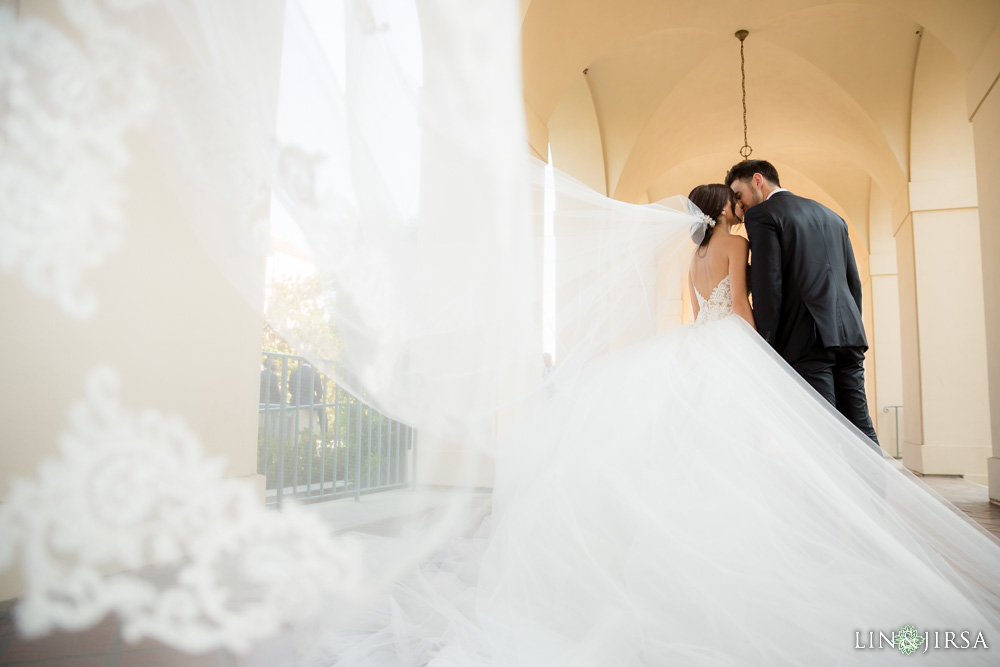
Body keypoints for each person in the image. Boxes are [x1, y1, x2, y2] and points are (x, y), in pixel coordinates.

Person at [283, 183, 1000, 667]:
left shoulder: (689, 255)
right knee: (737, 461)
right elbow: (743, 315)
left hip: (693, 347)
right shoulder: (737, 247)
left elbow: (700, 310)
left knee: (694, 458)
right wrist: (768, 368)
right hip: (730, 352)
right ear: (729, 213)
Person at [725, 160, 880, 450]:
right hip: (847, 335)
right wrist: (850, 325)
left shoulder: (762, 215)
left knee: (820, 435)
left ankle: (828, 498)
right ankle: (875, 496)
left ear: (757, 180)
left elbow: (767, 284)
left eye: (738, 194)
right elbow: (852, 282)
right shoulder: (833, 217)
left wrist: (766, 343)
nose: (739, 205)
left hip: (805, 338)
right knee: (860, 430)